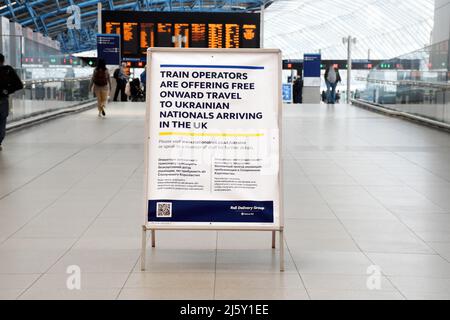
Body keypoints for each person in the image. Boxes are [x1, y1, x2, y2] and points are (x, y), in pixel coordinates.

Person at [0, 53, 23, 151]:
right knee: (1, 122)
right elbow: (19, 85)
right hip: (2, 101)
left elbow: (19, 85)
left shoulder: (7, 70)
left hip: (2, 101)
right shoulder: (7, 70)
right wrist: (7, 90)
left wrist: (7, 90)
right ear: (3, 61)